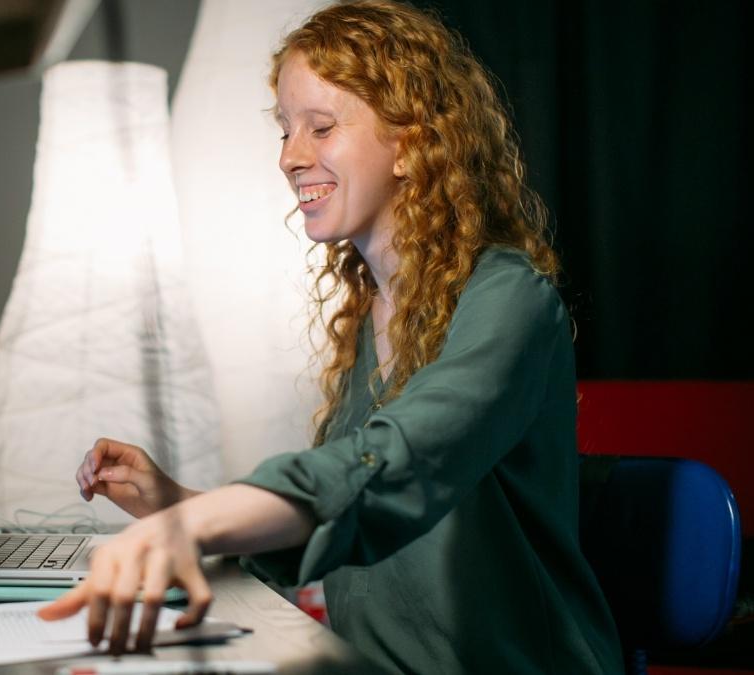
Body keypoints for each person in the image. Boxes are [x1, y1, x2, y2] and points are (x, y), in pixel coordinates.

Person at [38, 1, 623, 672]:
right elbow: (339, 518)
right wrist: (176, 504)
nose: (290, 156)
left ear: (410, 143)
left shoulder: (510, 299)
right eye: (286, 130)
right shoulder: (372, 312)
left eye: (320, 127)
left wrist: (197, 524)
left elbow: (395, 464)